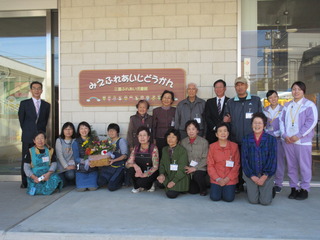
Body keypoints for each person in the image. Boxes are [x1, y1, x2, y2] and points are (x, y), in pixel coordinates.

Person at [280, 81, 318, 200]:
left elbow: (311, 122)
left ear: (303, 91)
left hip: (302, 142)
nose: (296, 92)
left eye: (298, 89)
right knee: (291, 166)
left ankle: (305, 188)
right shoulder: (287, 105)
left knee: (304, 166)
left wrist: (299, 135)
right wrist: (285, 135)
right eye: (294, 89)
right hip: (288, 141)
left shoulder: (309, 105)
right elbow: (281, 121)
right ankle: (293, 187)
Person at [224, 76, 262, 193]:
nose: (240, 87)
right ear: (235, 87)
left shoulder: (255, 100)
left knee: (252, 162)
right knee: (236, 163)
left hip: (252, 140)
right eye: (237, 85)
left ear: (246, 86)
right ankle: (238, 184)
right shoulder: (230, 102)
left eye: (242, 85)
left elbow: (261, 119)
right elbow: (227, 120)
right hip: (236, 139)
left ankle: (252, 185)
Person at [18, 81, 50, 189]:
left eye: (39, 88)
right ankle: (25, 182)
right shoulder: (24, 104)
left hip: (40, 138)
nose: (37, 90)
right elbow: (22, 121)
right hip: (28, 136)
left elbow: (44, 121)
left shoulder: (46, 105)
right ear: (31, 90)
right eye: (34, 88)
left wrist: (39, 135)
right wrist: (29, 131)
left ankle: (39, 179)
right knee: (26, 159)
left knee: (39, 159)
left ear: (41, 90)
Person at [242, 112, 277, 205]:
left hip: (266, 174)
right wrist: (252, 176)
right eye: (255, 123)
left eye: (260, 123)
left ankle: (269, 189)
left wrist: (264, 176)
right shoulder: (246, 139)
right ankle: (256, 189)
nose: (257, 125)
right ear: (251, 125)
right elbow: (244, 160)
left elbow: (272, 159)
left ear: (264, 125)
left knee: (265, 202)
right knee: (253, 200)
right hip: (251, 174)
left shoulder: (271, 139)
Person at [207, 123, 240, 202]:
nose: (223, 133)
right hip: (216, 178)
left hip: (230, 178)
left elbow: (237, 165)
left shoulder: (234, 146)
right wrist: (218, 179)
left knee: (228, 198)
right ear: (216, 134)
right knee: (215, 197)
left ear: (228, 133)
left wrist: (227, 179)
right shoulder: (212, 147)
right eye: (220, 131)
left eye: (225, 131)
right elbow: (210, 165)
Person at [24, 131, 62, 195]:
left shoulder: (50, 150)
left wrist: (48, 174)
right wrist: (34, 177)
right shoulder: (30, 151)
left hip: (47, 175)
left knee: (55, 178)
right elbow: (26, 167)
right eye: (37, 138)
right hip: (35, 176)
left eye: (42, 138)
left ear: (45, 140)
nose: (40, 140)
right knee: (34, 188)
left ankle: (44, 189)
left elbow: (54, 163)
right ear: (34, 141)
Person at [263, 90, 285, 193]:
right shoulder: (264, 110)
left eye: (275, 97)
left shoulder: (283, 110)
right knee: (267, 161)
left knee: (279, 162)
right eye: (271, 97)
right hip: (267, 140)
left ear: (278, 97)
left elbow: (286, 124)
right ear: (268, 100)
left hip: (278, 139)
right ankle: (268, 181)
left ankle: (278, 183)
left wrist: (277, 133)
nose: (273, 99)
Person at [157, 128, 190, 198]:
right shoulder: (164, 149)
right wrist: (162, 174)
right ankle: (171, 186)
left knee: (171, 194)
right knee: (158, 182)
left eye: (173, 137)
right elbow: (162, 164)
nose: (170, 139)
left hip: (179, 177)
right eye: (168, 137)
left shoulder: (182, 150)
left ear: (177, 139)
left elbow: (182, 169)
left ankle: (177, 187)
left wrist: (173, 181)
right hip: (169, 175)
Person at [126, 126, 159, 193]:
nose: (142, 137)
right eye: (140, 135)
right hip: (139, 172)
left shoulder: (153, 148)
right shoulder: (136, 148)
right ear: (137, 137)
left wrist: (145, 174)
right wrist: (135, 166)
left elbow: (155, 167)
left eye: (144, 135)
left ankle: (150, 184)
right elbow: (127, 164)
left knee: (142, 183)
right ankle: (137, 187)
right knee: (130, 169)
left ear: (148, 137)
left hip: (150, 172)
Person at [181, 120, 208, 196]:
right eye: (188, 129)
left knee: (198, 175)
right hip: (188, 168)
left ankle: (203, 189)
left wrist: (195, 168)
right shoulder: (183, 142)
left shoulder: (204, 142)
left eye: (193, 129)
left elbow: (205, 158)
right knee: (192, 191)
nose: (191, 131)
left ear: (197, 130)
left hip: (200, 168)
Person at [98, 123, 128, 191]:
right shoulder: (107, 142)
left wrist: (114, 160)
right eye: (109, 131)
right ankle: (111, 179)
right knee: (100, 183)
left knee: (111, 187)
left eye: (113, 130)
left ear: (117, 132)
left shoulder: (121, 141)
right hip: (108, 167)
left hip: (119, 167)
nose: (111, 132)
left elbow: (125, 156)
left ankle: (120, 180)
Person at [72, 121, 98, 192]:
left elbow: (97, 154)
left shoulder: (94, 141)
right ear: (79, 130)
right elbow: (76, 158)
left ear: (89, 130)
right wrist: (86, 162)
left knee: (93, 188)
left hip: (92, 168)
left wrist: (94, 161)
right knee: (81, 189)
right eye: (81, 128)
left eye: (86, 128)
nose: (84, 130)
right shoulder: (75, 142)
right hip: (81, 169)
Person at [152, 90, 176, 159]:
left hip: (171, 138)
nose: (166, 100)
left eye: (169, 98)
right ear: (161, 99)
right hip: (159, 138)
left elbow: (177, 125)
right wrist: (154, 139)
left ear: (172, 100)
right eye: (165, 97)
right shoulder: (156, 111)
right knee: (160, 156)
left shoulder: (175, 110)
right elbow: (153, 126)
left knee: (171, 156)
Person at [205, 79, 229, 144]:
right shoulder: (209, 102)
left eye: (220, 87)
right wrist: (215, 128)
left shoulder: (230, 101)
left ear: (225, 88)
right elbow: (207, 117)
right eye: (216, 87)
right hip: (212, 134)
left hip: (226, 134)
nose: (218, 89)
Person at [55, 122, 76, 186]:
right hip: (61, 166)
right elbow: (59, 155)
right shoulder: (59, 140)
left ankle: (70, 180)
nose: (68, 131)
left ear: (73, 130)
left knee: (70, 175)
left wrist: (73, 165)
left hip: (71, 166)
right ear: (63, 130)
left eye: (70, 129)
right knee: (61, 184)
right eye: (66, 129)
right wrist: (66, 166)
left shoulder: (75, 140)